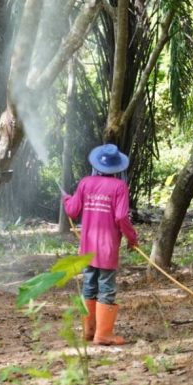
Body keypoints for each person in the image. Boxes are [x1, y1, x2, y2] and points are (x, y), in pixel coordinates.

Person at [61, 144, 139, 345]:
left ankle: (89, 331)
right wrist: (132, 238)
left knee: (89, 284)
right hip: (107, 248)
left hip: (87, 248)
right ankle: (103, 334)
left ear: (97, 164)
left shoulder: (85, 183)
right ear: (117, 167)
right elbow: (121, 216)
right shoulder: (119, 187)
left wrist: (67, 200)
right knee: (106, 287)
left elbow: (72, 211)